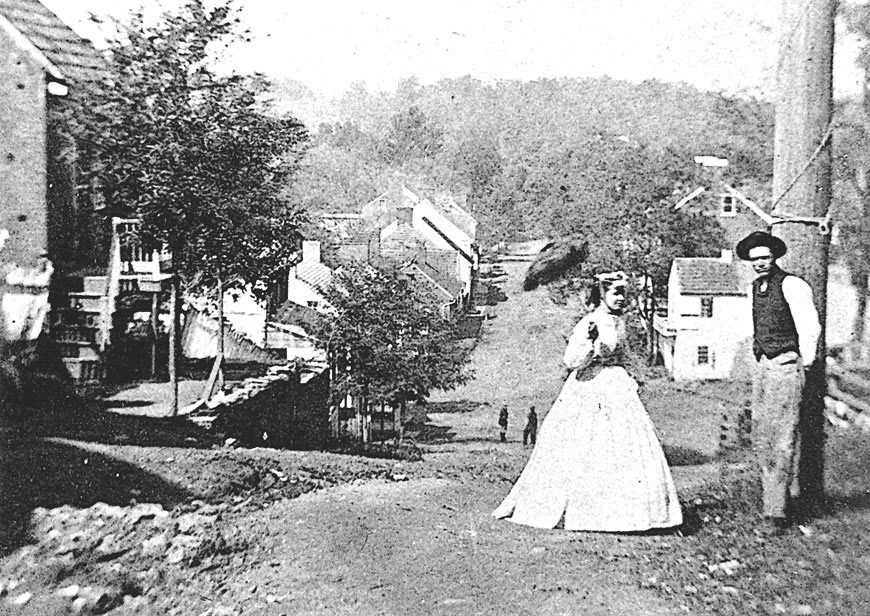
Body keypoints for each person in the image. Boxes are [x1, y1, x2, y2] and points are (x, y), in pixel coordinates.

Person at [492, 271, 682, 531]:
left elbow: (624, 354)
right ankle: (581, 512)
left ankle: (626, 513)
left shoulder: (620, 322)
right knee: (583, 443)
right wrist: (592, 347)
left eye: (623, 293)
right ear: (602, 293)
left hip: (616, 387)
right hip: (589, 385)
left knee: (623, 446)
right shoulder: (589, 322)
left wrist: (633, 376)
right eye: (615, 292)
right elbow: (571, 360)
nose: (620, 298)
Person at [735, 231, 820, 533]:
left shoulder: (792, 285)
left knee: (782, 436)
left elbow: (810, 328)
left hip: (785, 364)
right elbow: (751, 327)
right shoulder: (754, 288)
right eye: (754, 259)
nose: (760, 263)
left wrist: (803, 364)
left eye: (765, 258)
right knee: (762, 435)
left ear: (774, 257)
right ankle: (776, 499)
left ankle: (776, 513)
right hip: (762, 366)